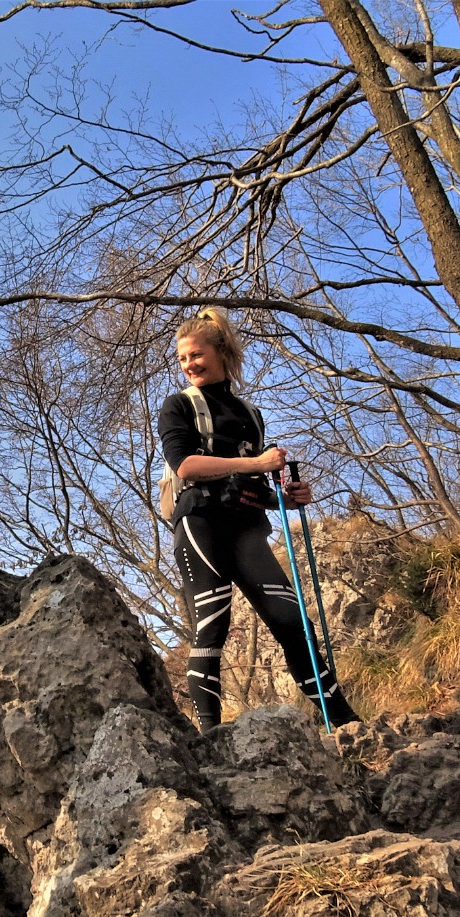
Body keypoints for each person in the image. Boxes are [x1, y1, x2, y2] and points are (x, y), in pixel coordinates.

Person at [158, 306, 360, 732]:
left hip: (246, 526)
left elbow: (248, 483)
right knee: (213, 624)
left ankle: (343, 721)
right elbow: (186, 467)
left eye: (195, 355)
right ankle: (210, 736)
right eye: (182, 359)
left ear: (221, 352)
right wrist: (254, 464)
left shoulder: (251, 414)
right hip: (200, 524)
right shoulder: (178, 405)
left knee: (292, 621)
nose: (188, 365)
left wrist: (284, 499)